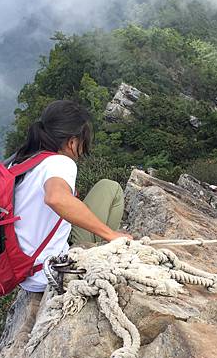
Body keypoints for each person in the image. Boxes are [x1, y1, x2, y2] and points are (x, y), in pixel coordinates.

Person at [11, 100, 131, 293]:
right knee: (111, 188)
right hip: (51, 271)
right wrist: (111, 235)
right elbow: (56, 198)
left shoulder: (20, 161)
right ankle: (102, 251)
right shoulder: (60, 162)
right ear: (72, 142)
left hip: (23, 271)